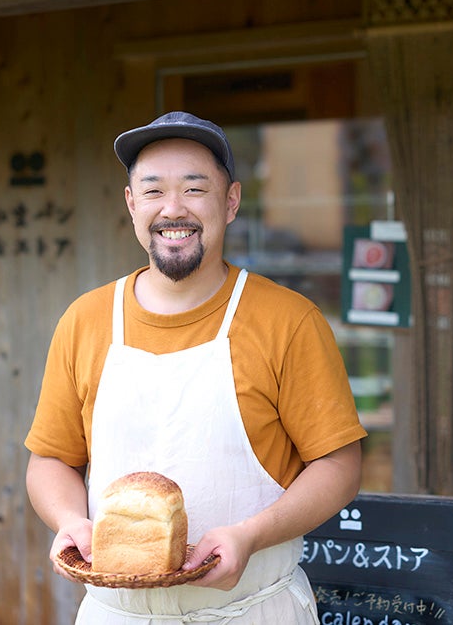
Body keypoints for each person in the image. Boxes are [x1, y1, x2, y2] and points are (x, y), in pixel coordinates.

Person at [24, 111, 367, 624]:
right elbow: (51, 460)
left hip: (252, 611)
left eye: (194, 189)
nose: (173, 209)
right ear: (131, 203)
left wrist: (250, 537)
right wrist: (71, 520)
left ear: (231, 203)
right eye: (154, 191)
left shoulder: (287, 320)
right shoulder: (85, 320)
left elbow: (339, 467)